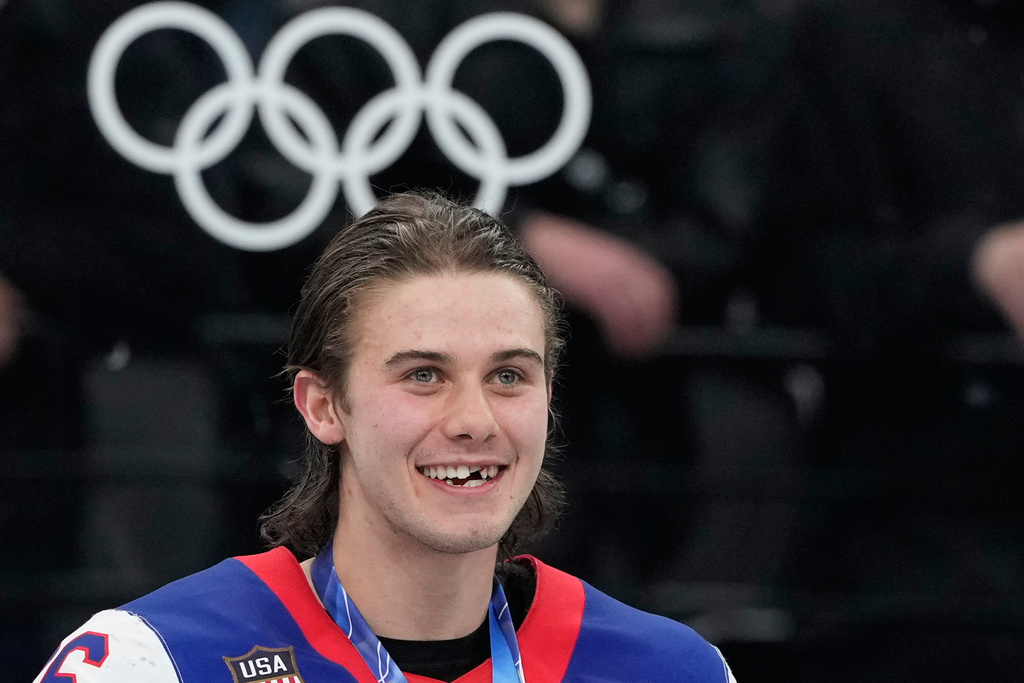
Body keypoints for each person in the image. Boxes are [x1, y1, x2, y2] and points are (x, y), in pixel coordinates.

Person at [33, 191, 737, 683]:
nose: (474, 419)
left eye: (510, 376)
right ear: (322, 404)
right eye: (425, 375)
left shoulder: (673, 669)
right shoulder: (156, 661)